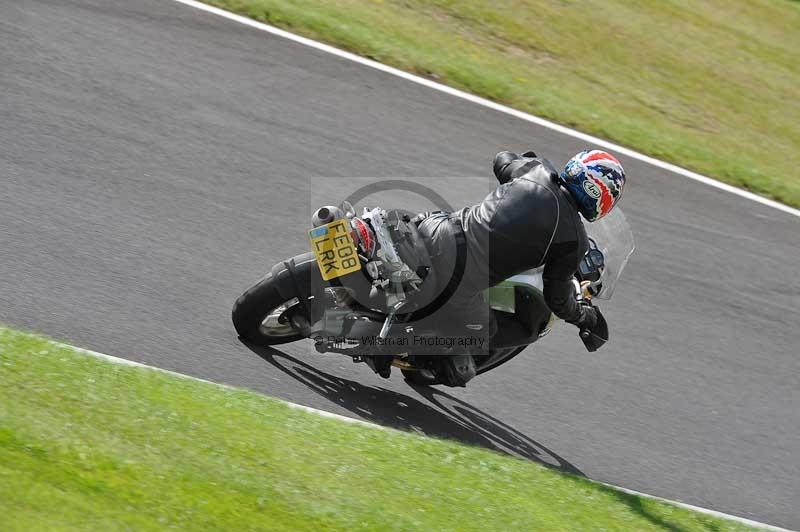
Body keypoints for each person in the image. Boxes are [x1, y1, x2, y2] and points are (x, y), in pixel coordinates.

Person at [412, 149, 626, 387]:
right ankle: (411, 352)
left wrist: (524, 158)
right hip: (458, 280)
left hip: (438, 229)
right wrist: (583, 315)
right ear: (603, 199)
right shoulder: (575, 240)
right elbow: (557, 298)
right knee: (485, 330)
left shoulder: (536, 171)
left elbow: (501, 159)